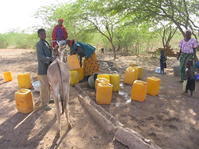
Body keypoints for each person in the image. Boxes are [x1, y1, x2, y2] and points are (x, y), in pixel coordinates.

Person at [36, 28, 56, 109]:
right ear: (39, 35)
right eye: (41, 34)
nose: (43, 35)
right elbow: (41, 57)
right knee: (44, 87)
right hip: (43, 69)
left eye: (44, 33)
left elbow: (48, 53)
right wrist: (51, 59)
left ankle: (47, 99)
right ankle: (44, 104)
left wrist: (51, 49)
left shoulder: (45, 43)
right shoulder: (39, 44)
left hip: (48, 69)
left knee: (47, 85)